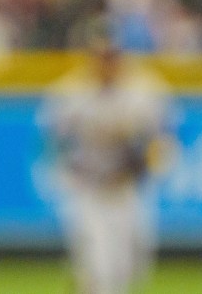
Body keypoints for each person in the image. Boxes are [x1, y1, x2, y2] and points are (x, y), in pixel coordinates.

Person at [49, 19, 172, 294]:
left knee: (131, 268)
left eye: (112, 55)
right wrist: (67, 174)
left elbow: (162, 142)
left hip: (127, 189)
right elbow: (52, 140)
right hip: (88, 190)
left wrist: (144, 162)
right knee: (100, 269)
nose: (107, 62)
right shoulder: (71, 93)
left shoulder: (145, 93)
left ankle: (83, 283)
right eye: (101, 56)